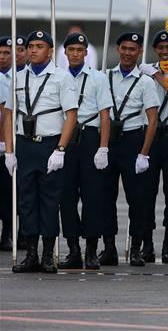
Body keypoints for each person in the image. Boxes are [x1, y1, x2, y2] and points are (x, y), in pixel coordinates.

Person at [7, 30, 79, 273]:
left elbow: (71, 116)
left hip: (50, 144)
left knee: (49, 200)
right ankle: (31, 254)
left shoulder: (61, 77)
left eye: (40, 46)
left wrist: (61, 149)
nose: (34, 50)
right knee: (27, 201)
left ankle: (48, 254)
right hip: (25, 145)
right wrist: (9, 150)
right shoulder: (17, 78)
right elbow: (8, 115)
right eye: (30, 46)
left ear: (50, 51)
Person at [99, 32, 160, 267]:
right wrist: (102, 147)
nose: (127, 53)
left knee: (138, 199)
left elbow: (152, 120)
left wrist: (144, 154)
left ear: (139, 53)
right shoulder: (105, 77)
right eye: (123, 48)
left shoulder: (145, 81)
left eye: (132, 49)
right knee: (106, 197)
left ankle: (136, 248)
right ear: (117, 49)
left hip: (133, 140)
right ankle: (109, 248)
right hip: (109, 140)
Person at [58, 32, 114, 270]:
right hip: (66, 138)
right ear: (65, 53)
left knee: (93, 196)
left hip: (90, 136)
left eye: (79, 51)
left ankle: (92, 248)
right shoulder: (58, 77)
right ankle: (73, 249)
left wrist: (103, 147)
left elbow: (105, 115)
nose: (75, 54)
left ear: (86, 53)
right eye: (71, 50)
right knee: (66, 197)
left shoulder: (98, 78)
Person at [136, 31, 168, 264]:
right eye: (162, 47)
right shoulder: (144, 72)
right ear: (155, 49)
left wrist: (155, 73)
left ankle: (167, 245)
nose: (166, 51)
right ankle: (147, 244)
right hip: (150, 135)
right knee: (146, 193)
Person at [0, 36, 14, 251]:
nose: (1, 57)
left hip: (9, 142)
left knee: (8, 193)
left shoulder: (18, 78)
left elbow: (5, 114)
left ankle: (8, 233)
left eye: (6, 53)